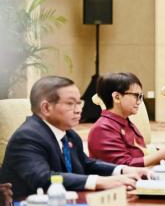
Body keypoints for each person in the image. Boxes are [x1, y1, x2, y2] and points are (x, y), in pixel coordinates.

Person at [0, 76, 148, 198]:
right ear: (46, 108)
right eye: (71, 103)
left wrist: (124, 170)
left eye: (79, 102)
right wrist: (100, 182)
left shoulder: (68, 134)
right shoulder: (28, 137)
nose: (78, 110)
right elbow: (42, 178)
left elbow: (86, 163)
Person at [88, 72, 165, 167]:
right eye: (136, 96)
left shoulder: (126, 122)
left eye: (141, 96)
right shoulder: (103, 129)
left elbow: (141, 153)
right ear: (117, 97)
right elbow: (124, 167)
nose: (139, 101)